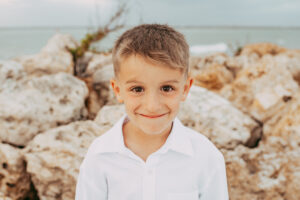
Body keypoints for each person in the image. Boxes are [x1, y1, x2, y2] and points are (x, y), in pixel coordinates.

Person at [75, 24, 229, 200]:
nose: (152, 106)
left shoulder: (206, 157)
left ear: (185, 89)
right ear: (117, 90)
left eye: (167, 88)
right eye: (138, 89)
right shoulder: (99, 156)